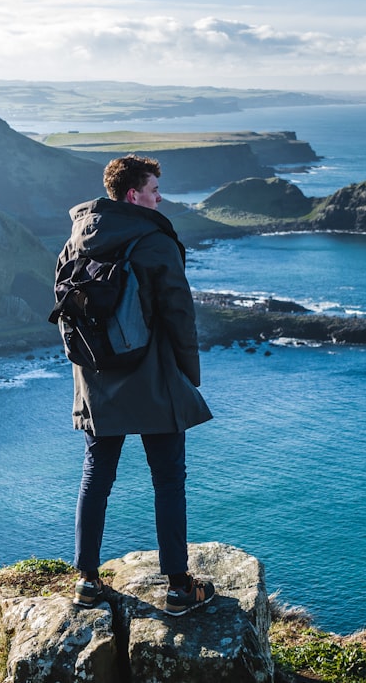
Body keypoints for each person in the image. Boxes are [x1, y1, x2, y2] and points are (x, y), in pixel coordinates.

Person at [56, 154, 215, 616]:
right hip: (152, 376)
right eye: (154, 190)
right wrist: (189, 375)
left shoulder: (77, 237)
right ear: (133, 196)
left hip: (96, 375)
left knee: (95, 476)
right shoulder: (153, 240)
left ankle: (87, 581)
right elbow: (179, 314)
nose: (160, 198)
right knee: (167, 479)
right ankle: (180, 588)